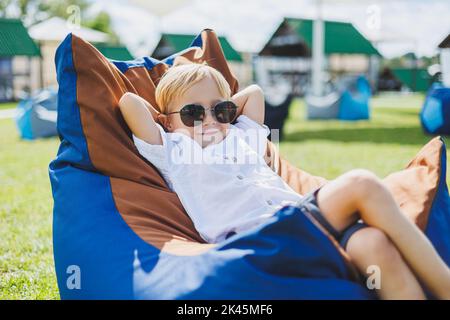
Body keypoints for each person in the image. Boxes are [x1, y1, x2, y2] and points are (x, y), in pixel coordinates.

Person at [118, 63, 450, 299]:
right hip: (262, 235)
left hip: (302, 220)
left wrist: (221, 110)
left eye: (218, 110)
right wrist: (171, 120)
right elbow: (128, 103)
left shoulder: (239, 134)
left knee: (373, 244)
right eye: (193, 113)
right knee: (361, 183)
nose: (207, 120)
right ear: (168, 121)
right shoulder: (174, 149)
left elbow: (255, 93)